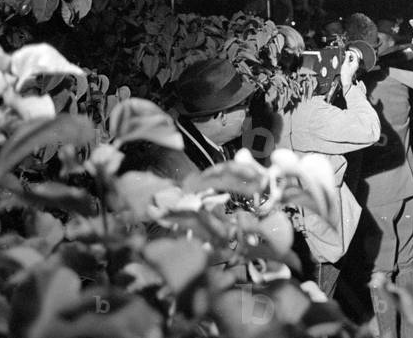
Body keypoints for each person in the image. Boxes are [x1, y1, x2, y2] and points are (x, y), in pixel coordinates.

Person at [277, 33, 381, 298]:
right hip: (317, 231)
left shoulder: (276, 103)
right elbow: (370, 130)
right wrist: (348, 85)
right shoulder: (313, 113)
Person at [345, 14, 413, 338]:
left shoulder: (348, 89)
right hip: (409, 181)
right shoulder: (397, 77)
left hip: (376, 191)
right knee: (408, 263)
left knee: (380, 270)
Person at [118, 58, 255, 181]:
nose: (247, 109)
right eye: (242, 104)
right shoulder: (173, 168)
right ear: (223, 115)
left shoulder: (219, 145)